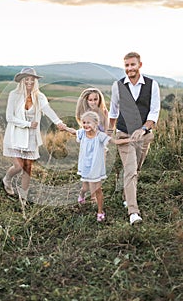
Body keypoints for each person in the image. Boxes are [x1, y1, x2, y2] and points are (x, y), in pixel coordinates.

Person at [109, 52, 160, 225]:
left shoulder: (152, 85)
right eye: (127, 66)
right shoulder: (117, 86)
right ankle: (133, 212)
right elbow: (113, 111)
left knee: (135, 169)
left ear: (140, 65)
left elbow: (154, 112)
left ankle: (126, 194)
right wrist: (109, 133)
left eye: (132, 65)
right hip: (124, 135)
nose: (129, 69)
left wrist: (144, 129)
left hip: (144, 136)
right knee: (130, 170)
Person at [2, 67, 66, 204]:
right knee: (18, 167)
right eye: (27, 79)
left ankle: (23, 198)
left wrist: (59, 122)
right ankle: (7, 179)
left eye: (32, 79)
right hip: (15, 135)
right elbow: (9, 117)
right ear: (22, 80)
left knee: (27, 168)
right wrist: (27, 124)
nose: (30, 82)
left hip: (31, 137)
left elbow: (47, 110)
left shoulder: (39, 96)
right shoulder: (14, 95)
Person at [64, 111, 131, 222]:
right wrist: (65, 127)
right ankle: (82, 194)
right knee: (86, 188)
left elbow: (115, 141)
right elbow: (73, 131)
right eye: (84, 122)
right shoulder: (82, 133)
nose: (85, 125)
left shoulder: (100, 136)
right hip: (85, 166)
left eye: (88, 123)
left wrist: (130, 139)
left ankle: (100, 211)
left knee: (97, 190)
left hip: (96, 168)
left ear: (95, 123)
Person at [75, 87, 109, 202]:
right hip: (88, 148)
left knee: (97, 173)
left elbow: (106, 130)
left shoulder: (104, 112)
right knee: (88, 174)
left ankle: (94, 196)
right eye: (90, 100)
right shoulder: (86, 114)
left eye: (96, 99)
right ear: (86, 101)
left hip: (100, 147)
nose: (93, 102)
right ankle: (84, 192)